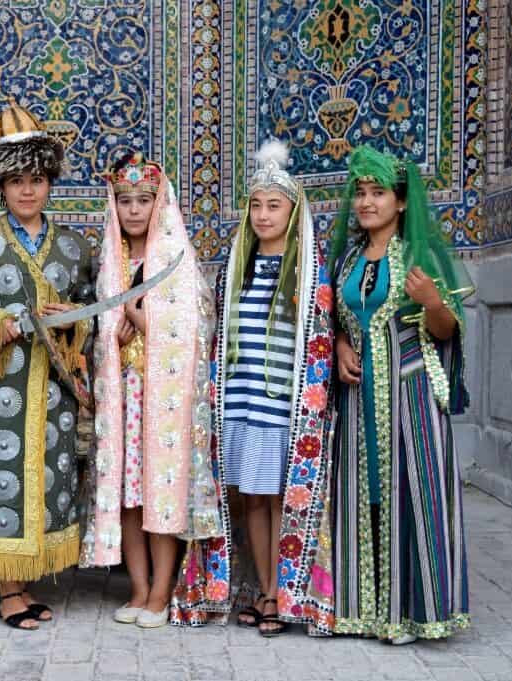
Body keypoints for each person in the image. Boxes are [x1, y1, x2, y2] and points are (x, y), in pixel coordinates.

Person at [170, 141, 335, 636]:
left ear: (293, 211)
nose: (263, 215)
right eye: (256, 205)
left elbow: (323, 335)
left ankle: (281, 594)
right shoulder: (235, 270)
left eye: (274, 206)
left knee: (284, 498)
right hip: (241, 403)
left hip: (282, 407)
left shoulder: (308, 271)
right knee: (253, 501)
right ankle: (265, 588)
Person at [0, 102, 94, 630]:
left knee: (45, 479)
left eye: (37, 180)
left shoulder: (75, 248)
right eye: (16, 182)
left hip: (52, 387)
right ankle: (6, 589)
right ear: (0, 187)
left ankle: (23, 581)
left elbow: (90, 311)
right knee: (2, 476)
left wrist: (72, 321)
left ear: (50, 182)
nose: (27, 191)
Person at [330, 145, 472, 644]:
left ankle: (412, 612)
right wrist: (343, 344)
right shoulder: (347, 257)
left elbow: (446, 329)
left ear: (402, 201)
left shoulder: (421, 255)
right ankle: (363, 608)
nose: (367, 203)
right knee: (361, 495)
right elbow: (339, 318)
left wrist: (433, 301)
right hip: (355, 399)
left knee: (411, 497)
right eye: (361, 193)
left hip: (408, 398)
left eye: (379, 193)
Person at [79, 152, 220, 628]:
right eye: (125, 201)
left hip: (164, 402)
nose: (134, 210)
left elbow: (196, 324)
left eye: (143, 200)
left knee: (162, 490)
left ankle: (163, 590)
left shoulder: (176, 259)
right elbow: (101, 324)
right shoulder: (112, 262)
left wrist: (142, 322)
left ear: (160, 204)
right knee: (129, 495)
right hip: (124, 398)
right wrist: (112, 333)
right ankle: (137, 589)